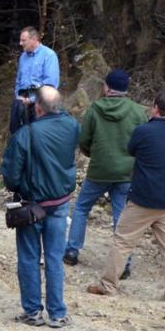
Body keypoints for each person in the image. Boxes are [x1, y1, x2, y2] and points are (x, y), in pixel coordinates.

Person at [87, 89, 165, 305]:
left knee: (122, 241)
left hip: (143, 199)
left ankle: (108, 285)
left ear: (155, 108)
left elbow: (132, 150)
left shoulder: (143, 131)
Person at [0, 85, 79, 328]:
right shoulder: (72, 126)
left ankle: (33, 311)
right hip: (60, 201)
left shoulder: (25, 134)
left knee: (29, 257)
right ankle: (57, 313)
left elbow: (11, 176)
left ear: (37, 107)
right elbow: (61, 115)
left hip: (32, 204)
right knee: (54, 258)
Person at [63, 68, 147, 275]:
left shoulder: (95, 109)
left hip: (99, 169)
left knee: (82, 207)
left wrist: (94, 154)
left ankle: (72, 251)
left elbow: (84, 141)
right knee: (121, 214)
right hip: (126, 172)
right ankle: (123, 263)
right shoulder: (137, 111)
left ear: (107, 87)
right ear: (126, 89)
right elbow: (144, 140)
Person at [9, 25, 60, 136]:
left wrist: (32, 99)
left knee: (37, 138)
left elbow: (50, 85)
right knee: (17, 136)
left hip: (41, 105)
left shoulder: (49, 55)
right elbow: (19, 80)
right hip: (21, 103)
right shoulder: (23, 57)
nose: (20, 43)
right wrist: (19, 97)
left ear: (34, 39)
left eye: (23, 40)